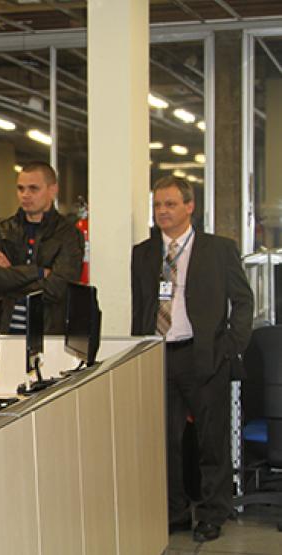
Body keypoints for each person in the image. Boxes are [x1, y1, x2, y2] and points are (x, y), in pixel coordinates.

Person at [131, 176, 252, 543]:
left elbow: (243, 301)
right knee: (166, 442)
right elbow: (142, 306)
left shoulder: (219, 249)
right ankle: (176, 510)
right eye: (157, 205)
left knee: (211, 441)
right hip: (161, 357)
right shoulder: (145, 252)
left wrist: (229, 347)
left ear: (189, 206)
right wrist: (140, 350)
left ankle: (214, 511)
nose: (162, 212)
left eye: (170, 204)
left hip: (204, 357)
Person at [0, 161, 83, 334]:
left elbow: (57, 289)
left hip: (48, 334)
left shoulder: (68, 234)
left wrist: (10, 272)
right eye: (21, 188)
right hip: (5, 332)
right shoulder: (3, 229)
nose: (25, 195)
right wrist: (38, 272)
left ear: (52, 190)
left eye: (33, 189)